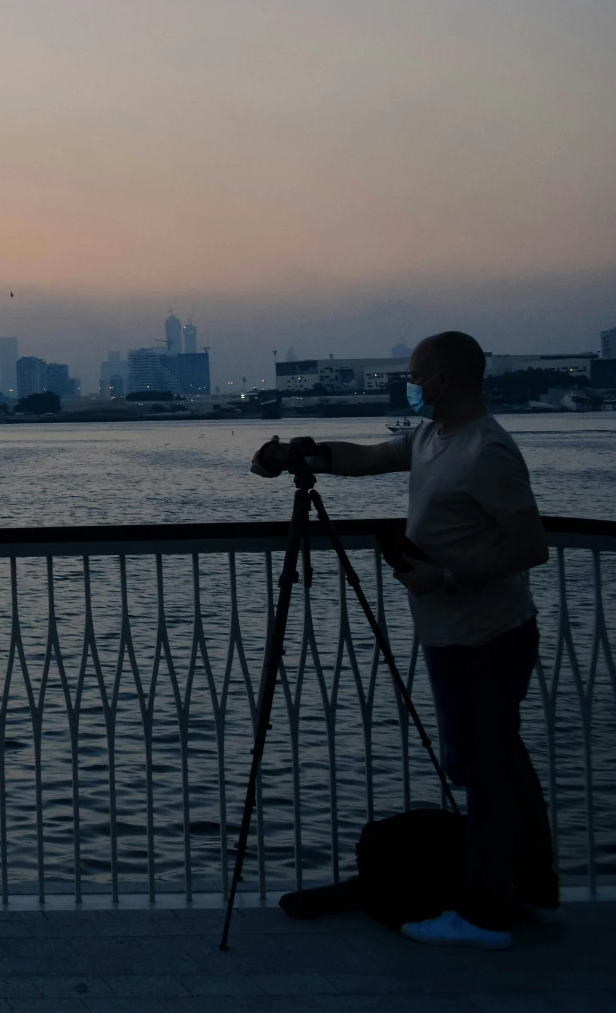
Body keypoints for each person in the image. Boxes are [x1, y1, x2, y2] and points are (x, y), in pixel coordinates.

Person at [251, 329, 555, 948]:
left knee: (488, 772)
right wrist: (298, 455)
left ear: (450, 378)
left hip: (487, 634)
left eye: (418, 375)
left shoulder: (488, 449)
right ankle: (528, 883)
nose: (410, 385)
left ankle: (487, 913)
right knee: (498, 763)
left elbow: (530, 546)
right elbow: (368, 457)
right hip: (452, 632)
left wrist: (445, 577)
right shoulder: (432, 438)